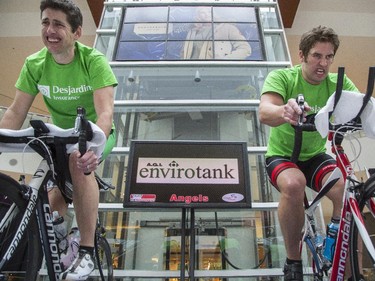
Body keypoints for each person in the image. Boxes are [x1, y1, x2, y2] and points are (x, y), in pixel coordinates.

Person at [0, 0, 117, 280]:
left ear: (77, 32)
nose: (49, 30)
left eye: (58, 24)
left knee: (79, 162)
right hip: (57, 135)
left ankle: (87, 252)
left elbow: (105, 113)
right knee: (46, 185)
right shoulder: (34, 64)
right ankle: (58, 231)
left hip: (95, 133)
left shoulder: (93, 62)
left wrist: (93, 147)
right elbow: (16, 111)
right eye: (45, 22)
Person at [259, 26, 360, 281]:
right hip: (283, 156)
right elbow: (264, 111)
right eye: (317, 56)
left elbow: (361, 108)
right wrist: (284, 111)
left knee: (343, 186)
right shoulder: (283, 77)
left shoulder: (338, 83)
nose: (323, 64)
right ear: (302, 55)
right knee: (295, 183)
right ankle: (293, 260)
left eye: (328, 57)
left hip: (315, 155)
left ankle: (336, 245)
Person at [181, 7, 251, 60]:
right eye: (203, 12)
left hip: (215, 72)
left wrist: (226, 61)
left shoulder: (227, 28)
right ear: (198, 15)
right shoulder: (192, 31)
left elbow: (245, 49)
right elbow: (184, 53)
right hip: (192, 72)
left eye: (209, 11)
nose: (207, 15)